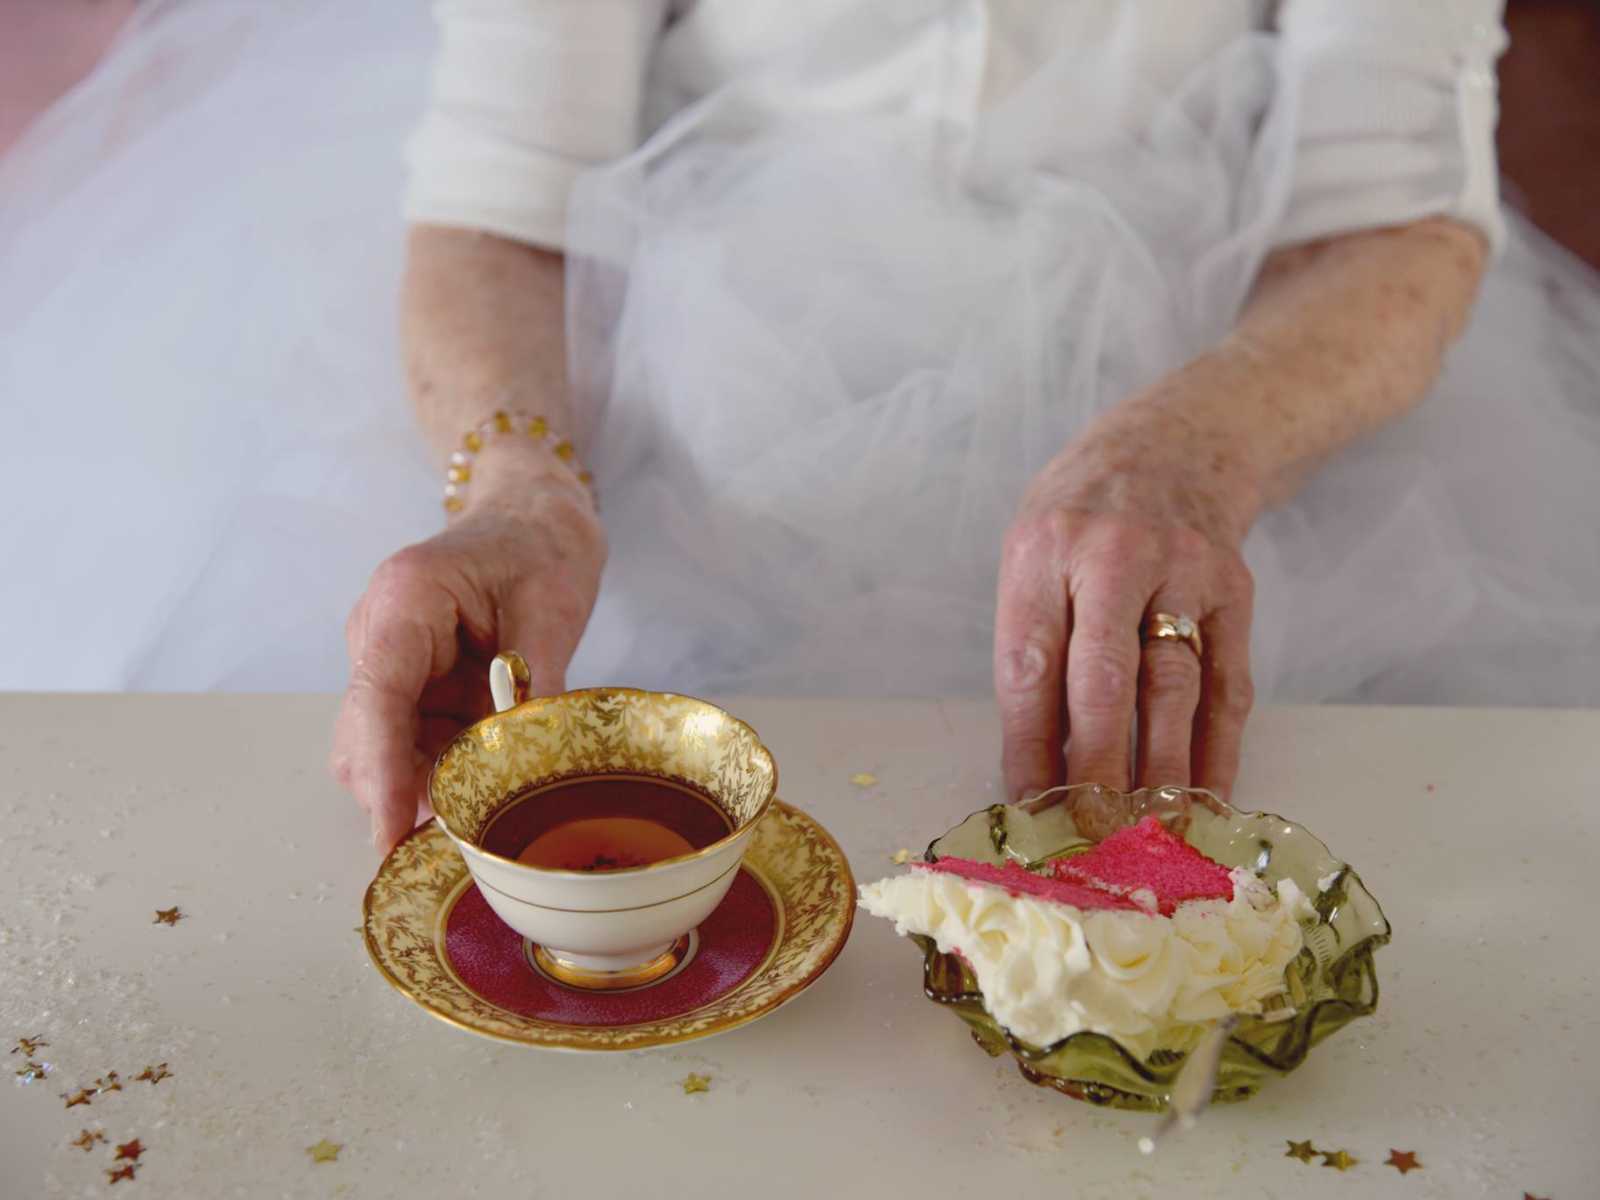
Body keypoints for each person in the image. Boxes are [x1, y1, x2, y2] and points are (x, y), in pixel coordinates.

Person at [1, 3, 1595, 852]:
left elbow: (1392, 212)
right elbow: (506, 193)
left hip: (1229, 404)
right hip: (670, 413)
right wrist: (516, 493)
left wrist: (1185, 456)